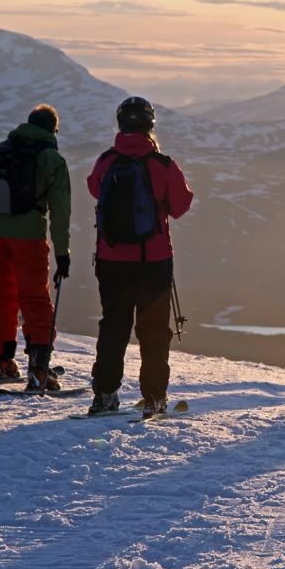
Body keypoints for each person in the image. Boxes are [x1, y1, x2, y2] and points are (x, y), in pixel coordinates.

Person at [86, 96, 194, 417]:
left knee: (114, 325)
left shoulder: (106, 161)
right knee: (153, 329)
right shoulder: (162, 164)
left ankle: (105, 395)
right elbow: (181, 205)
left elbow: (94, 189)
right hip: (154, 260)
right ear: (149, 124)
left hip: (111, 259)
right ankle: (154, 398)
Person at [0, 103, 71, 390]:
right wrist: (63, 253)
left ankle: (0, 363)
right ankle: (39, 370)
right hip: (28, 236)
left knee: (3, 296)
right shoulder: (53, 160)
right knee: (36, 299)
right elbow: (61, 213)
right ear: (53, 130)